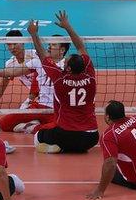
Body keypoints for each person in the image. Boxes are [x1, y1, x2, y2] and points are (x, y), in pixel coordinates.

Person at [29, 11, 98, 154]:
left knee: (37, 137)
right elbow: (80, 47)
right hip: (91, 137)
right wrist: (67, 26)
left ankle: (60, 148)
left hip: (66, 134)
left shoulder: (60, 80)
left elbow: (43, 55)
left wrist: (34, 34)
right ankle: (68, 148)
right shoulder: (91, 77)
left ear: (68, 68)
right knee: (77, 140)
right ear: (84, 66)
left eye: (65, 62)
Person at [0, 29, 68, 134]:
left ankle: (32, 127)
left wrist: (31, 97)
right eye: (49, 44)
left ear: (62, 50)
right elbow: (13, 72)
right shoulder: (36, 62)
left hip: (56, 108)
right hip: (39, 105)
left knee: (60, 128)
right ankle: (36, 124)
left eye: (53, 45)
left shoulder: (67, 66)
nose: (48, 47)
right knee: (4, 123)